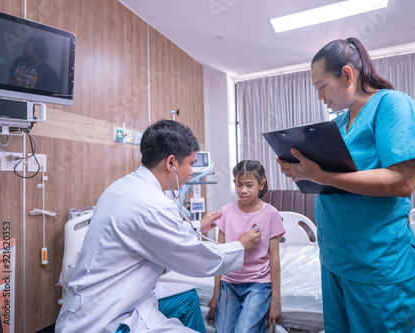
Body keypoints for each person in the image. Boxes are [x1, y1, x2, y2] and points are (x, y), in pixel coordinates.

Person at [275, 37, 415, 333]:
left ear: (347, 75)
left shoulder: (392, 105)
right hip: (335, 258)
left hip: (376, 263)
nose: (320, 97)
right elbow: (342, 181)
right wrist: (303, 171)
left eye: (321, 86)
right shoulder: (340, 123)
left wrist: (320, 176)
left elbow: (402, 180)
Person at [55, 120, 261, 333]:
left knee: (188, 297)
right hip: (106, 318)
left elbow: (156, 233)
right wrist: (240, 245)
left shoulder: (126, 186)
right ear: (171, 163)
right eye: (190, 163)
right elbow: (196, 259)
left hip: (115, 299)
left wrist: (199, 225)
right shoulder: (151, 204)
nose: (191, 172)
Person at [207, 160, 285, 333]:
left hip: (258, 285)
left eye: (249, 185)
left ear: (261, 184)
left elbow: (274, 258)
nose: (243, 190)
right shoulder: (226, 212)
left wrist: (276, 299)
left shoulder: (271, 214)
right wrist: (216, 293)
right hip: (229, 283)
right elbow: (222, 255)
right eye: (238, 184)